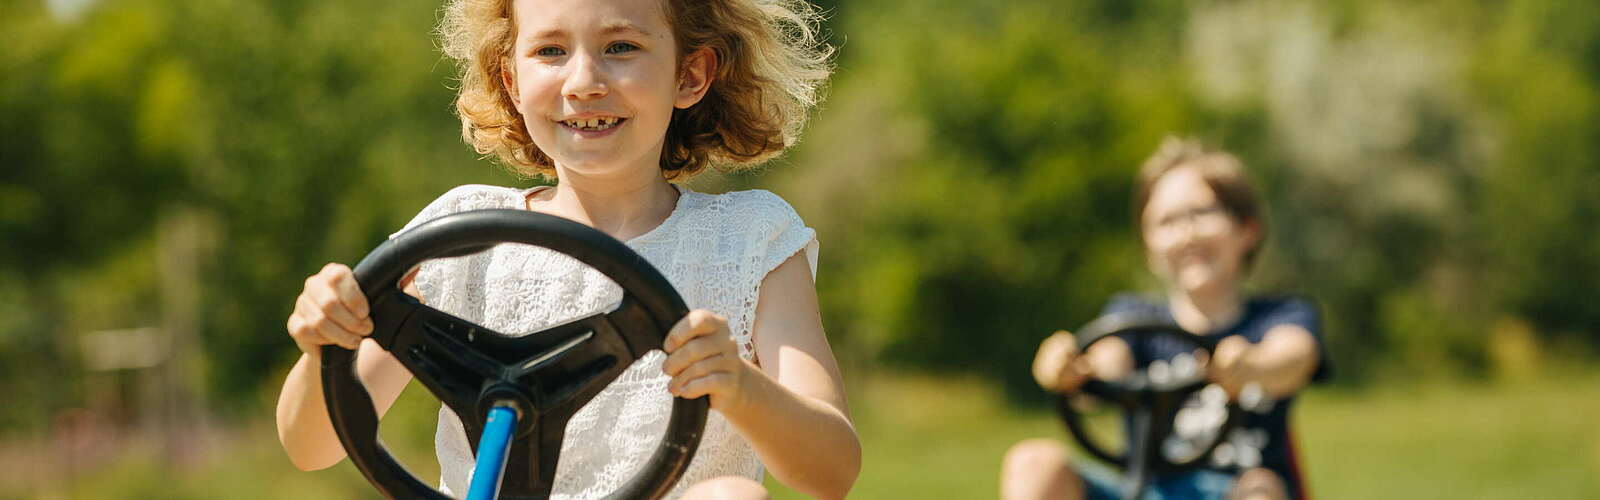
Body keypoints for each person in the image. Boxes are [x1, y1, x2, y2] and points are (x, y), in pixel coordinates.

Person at [273, 0, 859, 498]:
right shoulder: (460, 236)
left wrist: (737, 383)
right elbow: (311, 445)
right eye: (550, 52)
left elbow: (831, 470)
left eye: (622, 47)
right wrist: (329, 343)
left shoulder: (750, 239)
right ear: (512, 81)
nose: (583, 82)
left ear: (690, 75)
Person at [1001, 137, 1330, 500]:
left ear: (1246, 229)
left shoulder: (1279, 316)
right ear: (1148, 246)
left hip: (1234, 488)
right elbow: (1107, 363)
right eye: (1167, 221)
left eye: (1202, 213)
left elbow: (1294, 359)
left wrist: (1251, 365)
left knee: (1260, 490)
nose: (1187, 234)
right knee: (1034, 462)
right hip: (1145, 490)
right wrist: (1073, 370)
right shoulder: (1131, 318)